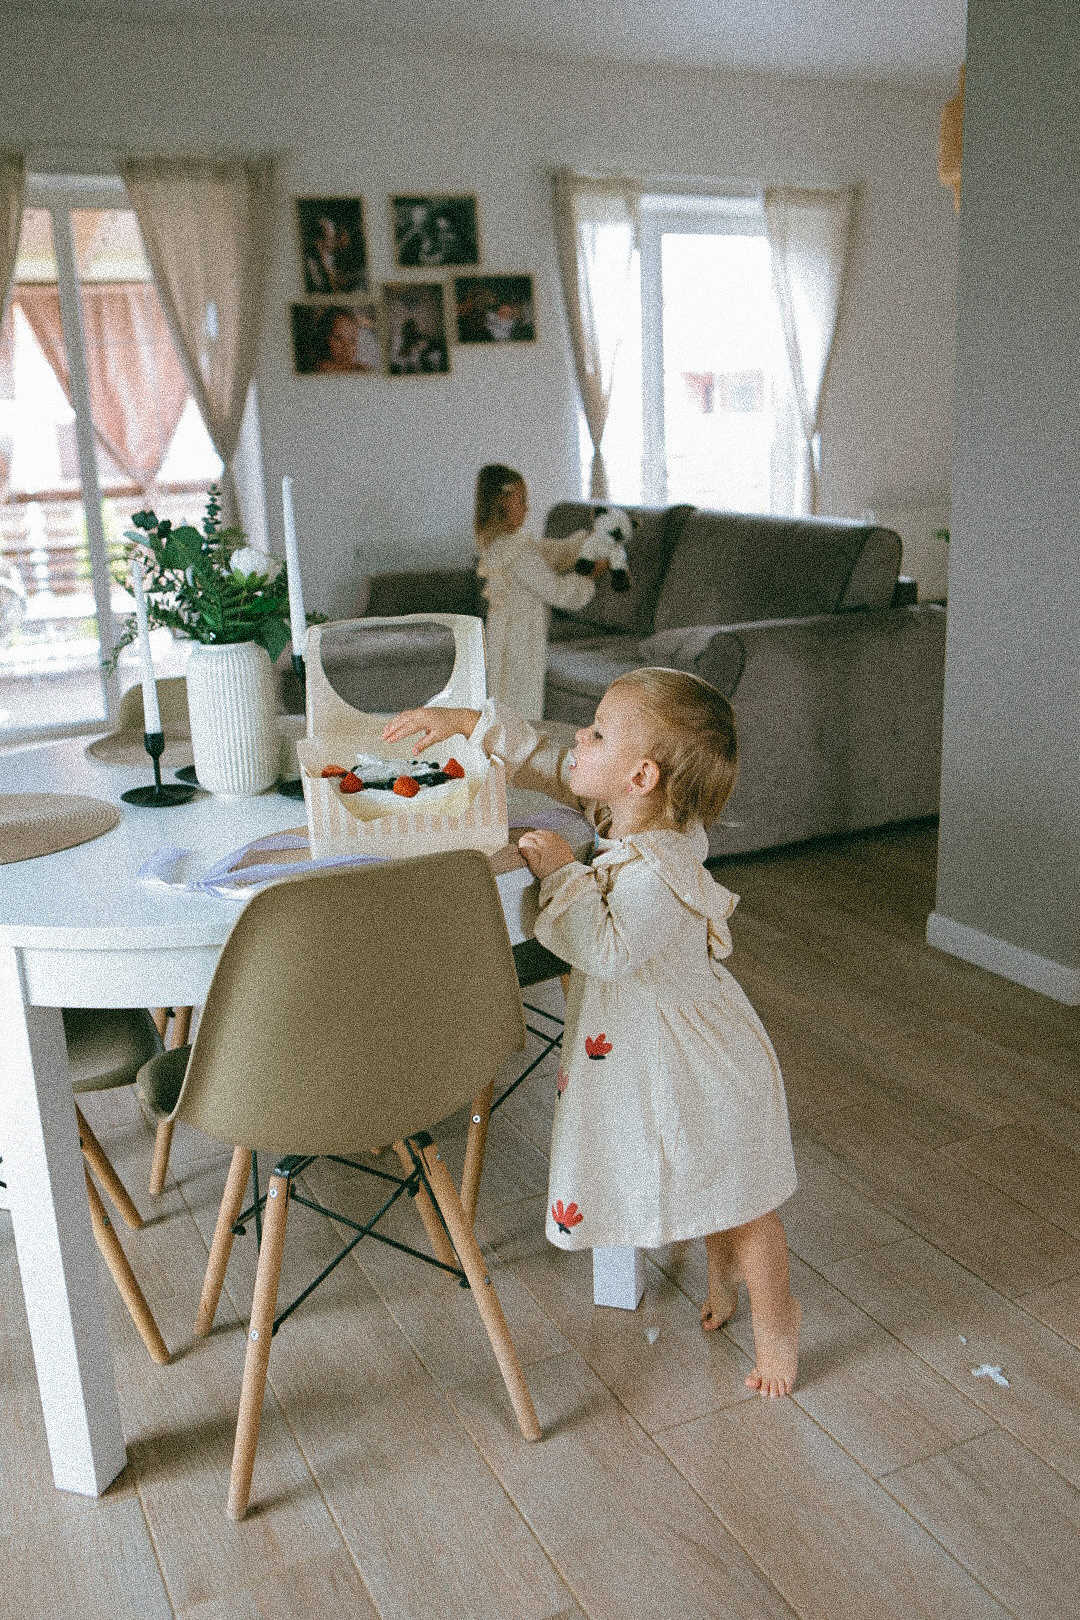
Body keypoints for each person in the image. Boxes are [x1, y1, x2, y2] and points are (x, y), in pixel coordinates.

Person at [382, 668, 801, 1396]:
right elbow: (551, 760)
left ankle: (779, 1322)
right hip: (656, 1054)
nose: (581, 734)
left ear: (641, 775)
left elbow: (605, 948)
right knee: (707, 1183)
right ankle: (721, 1271)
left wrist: (562, 873)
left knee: (744, 1199)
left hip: (703, 1064)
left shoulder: (658, 873)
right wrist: (467, 721)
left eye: (599, 731)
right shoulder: (631, 816)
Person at [473, 464, 603, 721]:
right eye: (521, 501)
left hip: (503, 631)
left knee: (502, 694)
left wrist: (585, 541)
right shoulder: (517, 553)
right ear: (503, 502)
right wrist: (588, 576)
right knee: (520, 698)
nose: (527, 507)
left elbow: (551, 553)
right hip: (520, 636)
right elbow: (559, 592)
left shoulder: (505, 545)